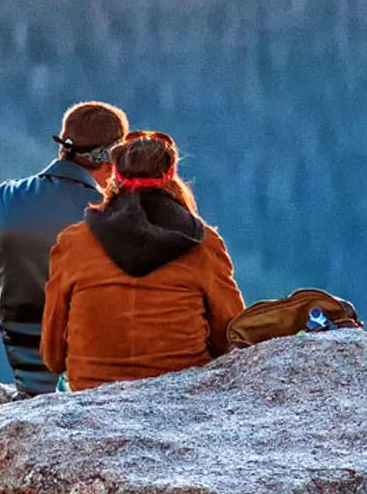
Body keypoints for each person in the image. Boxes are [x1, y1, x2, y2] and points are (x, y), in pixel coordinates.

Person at [41, 131, 248, 390]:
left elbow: (52, 356)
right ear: (172, 179)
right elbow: (232, 336)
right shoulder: (204, 244)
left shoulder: (73, 243)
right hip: (183, 394)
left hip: (90, 393)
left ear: (114, 178)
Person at [0, 101, 128, 396]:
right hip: (86, 374)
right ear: (111, 158)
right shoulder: (109, 216)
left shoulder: (2, 200)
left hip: (23, 366)